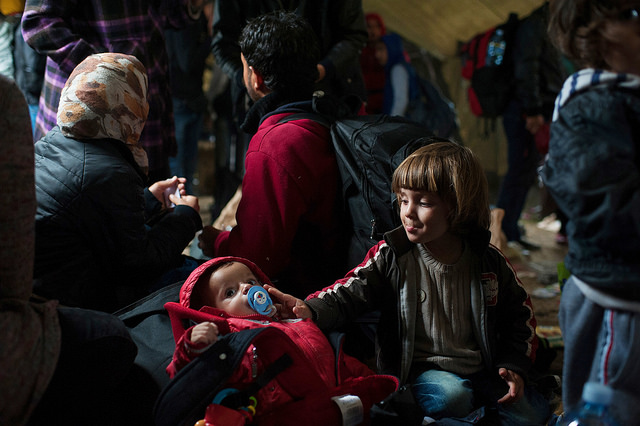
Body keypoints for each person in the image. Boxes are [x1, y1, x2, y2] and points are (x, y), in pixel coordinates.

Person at [270, 141, 552, 424]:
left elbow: (520, 316)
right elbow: (349, 292)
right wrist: (309, 308)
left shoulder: (488, 261)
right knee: (451, 397)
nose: (408, 212)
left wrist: (514, 365)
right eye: (404, 199)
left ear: (456, 206)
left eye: (424, 202)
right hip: (423, 372)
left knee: (531, 414)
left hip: (484, 370)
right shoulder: (394, 254)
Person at [33, 53, 203, 313]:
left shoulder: (52, 141)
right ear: (129, 107)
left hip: (39, 288)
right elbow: (138, 266)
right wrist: (186, 216)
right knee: (196, 277)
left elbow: (91, 218)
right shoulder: (110, 171)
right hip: (66, 307)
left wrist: (147, 200)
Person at [198, 12, 345, 298]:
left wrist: (216, 241)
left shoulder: (274, 143)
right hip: (343, 279)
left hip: (307, 295)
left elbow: (257, 258)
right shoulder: (330, 116)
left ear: (256, 77)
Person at [541, 1, 640, 423]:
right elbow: (607, 205)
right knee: (607, 408)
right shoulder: (592, 105)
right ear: (593, 35)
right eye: (633, 15)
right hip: (617, 298)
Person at [164, 256, 397, 422]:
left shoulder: (293, 321)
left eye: (251, 281)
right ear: (213, 314)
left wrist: (368, 380)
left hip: (333, 407)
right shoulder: (231, 342)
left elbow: (333, 360)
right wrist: (192, 347)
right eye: (230, 292)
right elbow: (190, 379)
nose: (246, 288)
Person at [20, 0, 206, 182]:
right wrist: (99, 68)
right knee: (91, 202)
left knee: (153, 202)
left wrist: (192, 5)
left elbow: (162, 13)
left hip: (149, 121)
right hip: (90, 123)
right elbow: (37, 22)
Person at [495, 1, 565, 251]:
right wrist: (533, 110)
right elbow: (527, 67)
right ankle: (501, 233)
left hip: (533, 109)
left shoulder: (543, 23)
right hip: (524, 112)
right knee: (518, 172)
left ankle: (510, 230)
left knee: (524, 173)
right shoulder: (534, 24)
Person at [165, 2, 214, 194]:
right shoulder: (180, 19)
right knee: (179, 167)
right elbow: (187, 62)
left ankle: (185, 213)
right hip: (180, 100)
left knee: (189, 164)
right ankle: (179, 213)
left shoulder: (196, 19)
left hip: (192, 99)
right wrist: (210, 39)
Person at [374, 32, 420, 117]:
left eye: (381, 49)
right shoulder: (400, 67)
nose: (377, 55)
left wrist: (391, 126)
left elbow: (401, 101)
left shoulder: (398, 69)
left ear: (391, 48)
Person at [360, 12, 386, 114]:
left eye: (376, 26)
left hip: (382, 102)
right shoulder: (360, 50)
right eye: (369, 27)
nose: (373, 31)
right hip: (364, 100)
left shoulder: (389, 50)